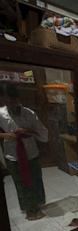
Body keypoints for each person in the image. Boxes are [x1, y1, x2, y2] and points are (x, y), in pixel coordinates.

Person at [0, 83, 48, 221]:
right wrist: (6, 135)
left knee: (35, 180)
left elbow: (44, 134)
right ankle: (30, 210)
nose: (10, 104)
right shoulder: (1, 114)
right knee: (21, 183)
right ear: (3, 100)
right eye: (6, 101)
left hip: (31, 152)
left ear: (18, 98)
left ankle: (37, 204)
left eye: (13, 100)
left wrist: (27, 131)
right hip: (13, 155)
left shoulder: (29, 113)